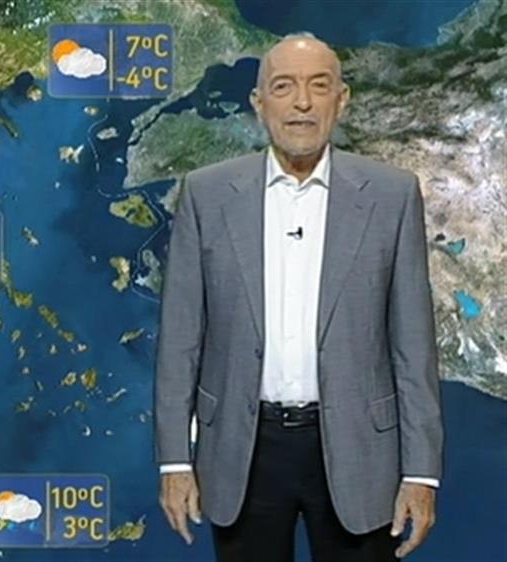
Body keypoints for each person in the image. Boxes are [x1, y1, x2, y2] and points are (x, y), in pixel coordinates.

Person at [153, 32, 443, 562]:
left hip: (360, 451)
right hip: (243, 453)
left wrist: (421, 473)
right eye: (284, 87)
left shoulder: (392, 195)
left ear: (342, 99)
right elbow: (180, 342)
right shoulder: (207, 194)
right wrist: (175, 462)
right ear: (259, 103)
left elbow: (413, 347)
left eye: (319, 86)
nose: (302, 103)